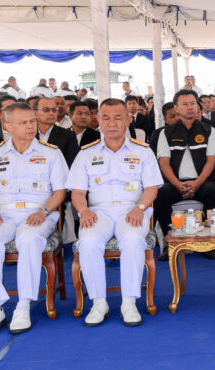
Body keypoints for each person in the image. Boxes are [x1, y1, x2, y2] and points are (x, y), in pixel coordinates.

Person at [0, 103, 68, 335]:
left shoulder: (51, 153)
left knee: (28, 238)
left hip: (39, 213)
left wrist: (43, 212)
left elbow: (60, 191)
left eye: (32, 121)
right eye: (23, 122)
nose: (30, 126)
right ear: (7, 126)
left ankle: (23, 305)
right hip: (3, 215)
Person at [67, 99, 162, 326]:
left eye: (118, 118)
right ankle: (99, 303)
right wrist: (83, 210)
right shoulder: (86, 154)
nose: (111, 123)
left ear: (128, 120)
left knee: (132, 239)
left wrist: (140, 208)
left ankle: (129, 302)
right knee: (88, 241)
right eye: (106, 118)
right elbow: (77, 192)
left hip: (133, 210)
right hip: (97, 212)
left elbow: (151, 188)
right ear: (98, 121)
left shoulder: (143, 152)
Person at [155, 89, 215, 249]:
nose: (190, 107)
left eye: (192, 103)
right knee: (161, 194)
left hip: (201, 182)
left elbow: (211, 160)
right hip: (176, 183)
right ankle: (169, 242)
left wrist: (197, 183)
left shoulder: (209, 130)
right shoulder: (166, 133)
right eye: (185, 104)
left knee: (213, 191)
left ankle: (210, 243)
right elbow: (164, 162)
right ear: (176, 108)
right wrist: (177, 184)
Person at [31, 95, 79, 166]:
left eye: (54, 110)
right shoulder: (28, 134)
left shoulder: (68, 135)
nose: (51, 113)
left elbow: (72, 164)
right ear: (35, 113)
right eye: (46, 110)